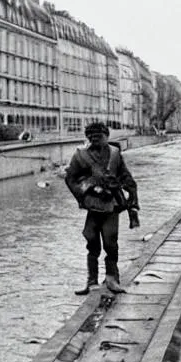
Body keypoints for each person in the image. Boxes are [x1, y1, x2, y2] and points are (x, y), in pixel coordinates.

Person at [65, 121, 140, 296]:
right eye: (91, 137)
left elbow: (126, 177)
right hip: (92, 205)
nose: (95, 140)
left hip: (111, 205)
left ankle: (112, 279)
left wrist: (132, 198)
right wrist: (84, 192)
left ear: (107, 136)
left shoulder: (115, 154)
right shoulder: (80, 155)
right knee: (91, 242)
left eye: (99, 136)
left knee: (110, 242)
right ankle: (91, 281)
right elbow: (70, 178)